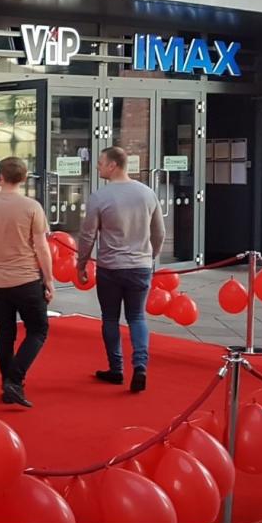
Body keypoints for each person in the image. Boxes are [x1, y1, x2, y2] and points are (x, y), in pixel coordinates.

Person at [76, 146, 166, 393]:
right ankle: (140, 366)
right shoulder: (147, 193)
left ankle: (116, 369)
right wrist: (151, 256)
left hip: (111, 267)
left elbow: (87, 235)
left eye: (101, 162)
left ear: (113, 165)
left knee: (110, 318)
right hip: (140, 266)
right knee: (137, 317)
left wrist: (81, 263)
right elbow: (159, 232)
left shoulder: (100, 197)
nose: (98, 166)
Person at [0, 156, 53, 408]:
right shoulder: (32, 207)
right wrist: (49, 279)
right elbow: (42, 247)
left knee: (5, 333)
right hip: (26, 278)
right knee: (38, 330)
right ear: (25, 178)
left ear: (0, 177)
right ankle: (14, 380)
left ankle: (8, 383)